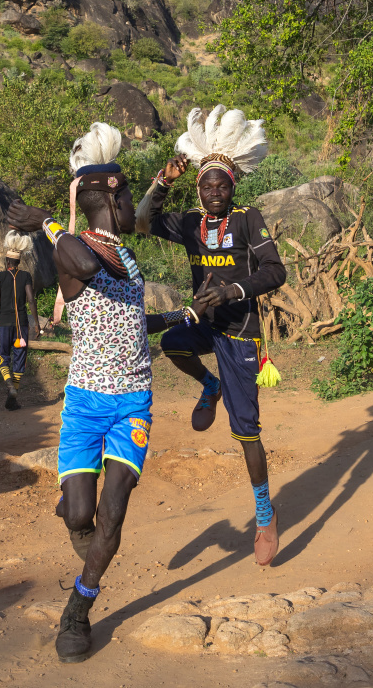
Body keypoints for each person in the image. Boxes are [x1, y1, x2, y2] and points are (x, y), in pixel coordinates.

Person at [6, 122, 209, 663]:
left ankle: (78, 608)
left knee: (112, 514)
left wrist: (186, 313)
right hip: (86, 404)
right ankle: (75, 516)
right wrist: (49, 223)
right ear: (111, 198)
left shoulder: (126, 253)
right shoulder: (72, 253)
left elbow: (130, 323)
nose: (132, 215)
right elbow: (88, 265)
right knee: (79, 518)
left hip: (133, 402)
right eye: (128, 199)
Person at [136, 106, 287, 566]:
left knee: (246, 433)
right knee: (171, 344)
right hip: (203, 322)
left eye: (221, 183)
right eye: (206, 185)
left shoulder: (247, 218)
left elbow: (275, 270)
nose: (214, 191)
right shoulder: (189, 223)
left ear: (233, 184)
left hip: (241, 333)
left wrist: (234, 291)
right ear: (198, 189)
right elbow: (142, 222)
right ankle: (210, 385)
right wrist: (162, 182)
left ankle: (264, 514)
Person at [0, 231, 40, 410]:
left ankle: (9, 385)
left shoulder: (1, 277)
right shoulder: (25, 276)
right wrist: (38, 325)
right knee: (20, 358)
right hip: (22, 326)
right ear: (18, 262)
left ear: (7, 262)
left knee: (3, 356)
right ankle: (13, 395)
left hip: (4, 324)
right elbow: (31, 300)